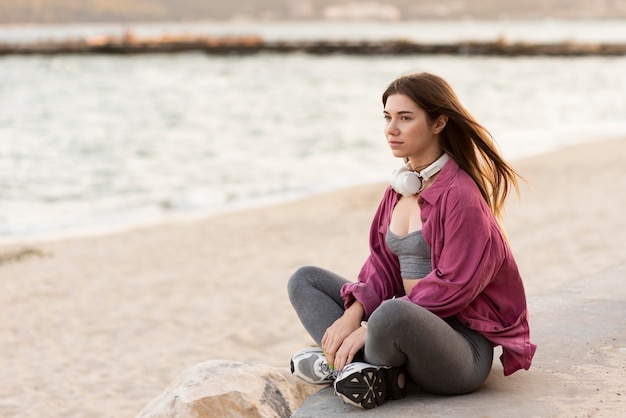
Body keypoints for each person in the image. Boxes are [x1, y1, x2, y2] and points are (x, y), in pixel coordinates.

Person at [287, 71, 537, 409]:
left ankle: (341, 365)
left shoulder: (461, 195)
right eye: (388, 118)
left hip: (459, 352)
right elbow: (380, 268)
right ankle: (362, 371)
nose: (392, 129)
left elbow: (455, 284)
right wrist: (353, 314)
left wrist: (371, 326)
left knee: (392, 313)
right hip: (400, 328)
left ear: (438, 123)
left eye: (405, 118)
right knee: (305, 280)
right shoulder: (399, 189)